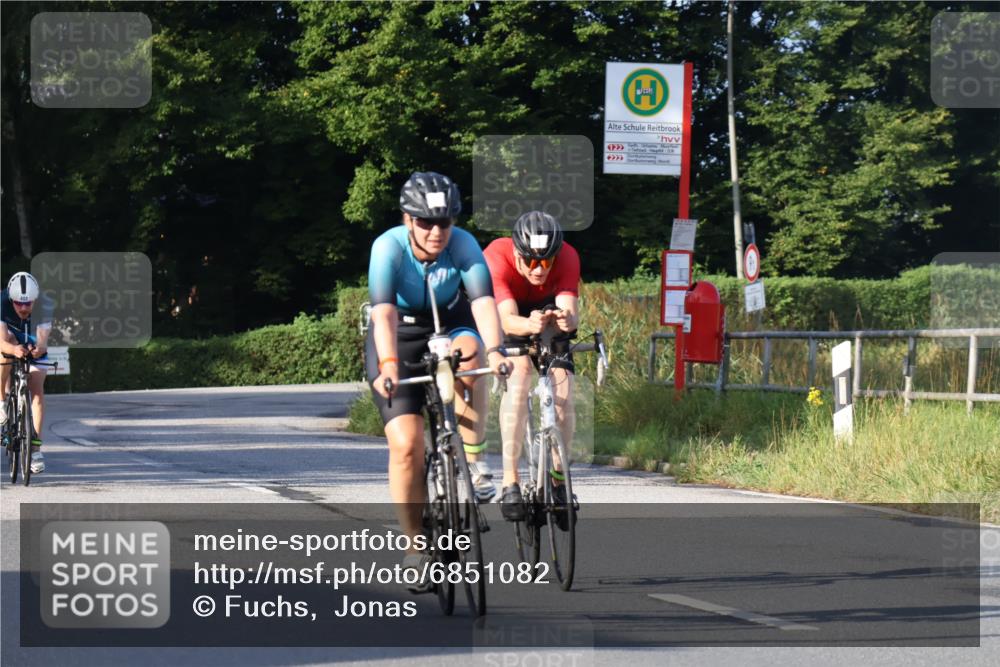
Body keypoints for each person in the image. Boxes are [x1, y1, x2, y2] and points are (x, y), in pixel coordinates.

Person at [366, 171, 510, 591]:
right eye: (425, 222)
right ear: (407, 220)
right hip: (400, 335)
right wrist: (390, 363)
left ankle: (475, 458)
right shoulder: (387, 248)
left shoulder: (463, 244)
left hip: (450, 322)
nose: (435, 231)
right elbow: (384, 313)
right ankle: (415, 547)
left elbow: (483, 301)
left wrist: (497, 350)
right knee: (407, 445)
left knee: (474, 353)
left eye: (444, 222)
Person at [482, 211, 580, 524]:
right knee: (520, 376)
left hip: (548, 313)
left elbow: (572, 315)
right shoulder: (496, 257)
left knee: (563, 389)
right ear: (516, 254)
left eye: (546, 262)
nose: (539, 269)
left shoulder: (567, 257)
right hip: (512, 316)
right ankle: (509, 481)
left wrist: (566, 319)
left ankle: (557, 477)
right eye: (532, 262)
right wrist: (529, 323)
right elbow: (506, 319)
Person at [1, 272, 54, 474]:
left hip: (32, 337)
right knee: (4, 353)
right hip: (10, 337)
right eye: (18, 304)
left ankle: (35, 449)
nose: (23, 308)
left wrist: (37, 349)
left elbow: (42, 341)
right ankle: (2, 400)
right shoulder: (1, 301)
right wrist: (14, 350)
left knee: (37, 392)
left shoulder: (45, 304)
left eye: (28, 304)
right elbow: (1, 340)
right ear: (10, 299)